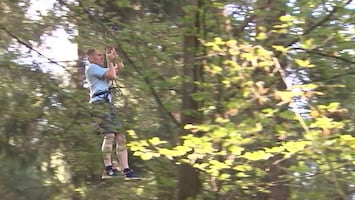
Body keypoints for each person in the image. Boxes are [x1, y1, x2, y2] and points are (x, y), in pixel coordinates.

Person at [85, 47, 139, 179]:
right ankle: (108, 168)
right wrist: (110, 62)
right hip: (99, 104)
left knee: (120, 136)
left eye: (103, 56)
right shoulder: (91, 68)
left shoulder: (101, 70)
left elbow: (119, 68)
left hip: (107, 104)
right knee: (109, 135)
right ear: (91, 58)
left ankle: (126, 170)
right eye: (99, 56)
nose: (102, 57)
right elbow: (112, 75)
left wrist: (115, 58)